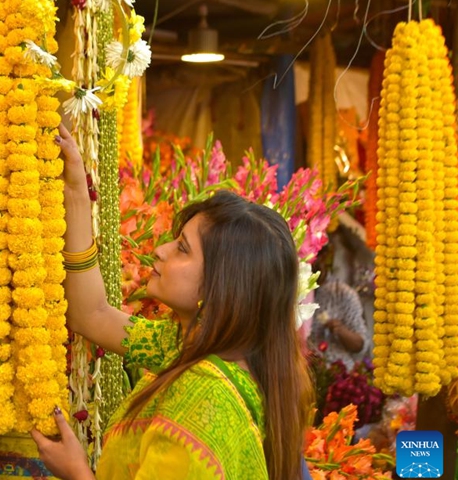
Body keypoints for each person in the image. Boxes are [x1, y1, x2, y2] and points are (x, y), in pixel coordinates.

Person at [31, 124, 314, 480]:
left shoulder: (203, 398)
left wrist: (76, 472)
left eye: (182, 248)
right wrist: (75, 191)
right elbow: (93, 314)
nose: (161, 251)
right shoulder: (186, 347)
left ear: (219, 288)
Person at [308, 247, 370, 370]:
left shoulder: (342, 293)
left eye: (313, 258)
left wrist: (341, 331)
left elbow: (361, 345)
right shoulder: (290, 293)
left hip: (336, 376)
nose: (309, 264)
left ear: (325, 256)